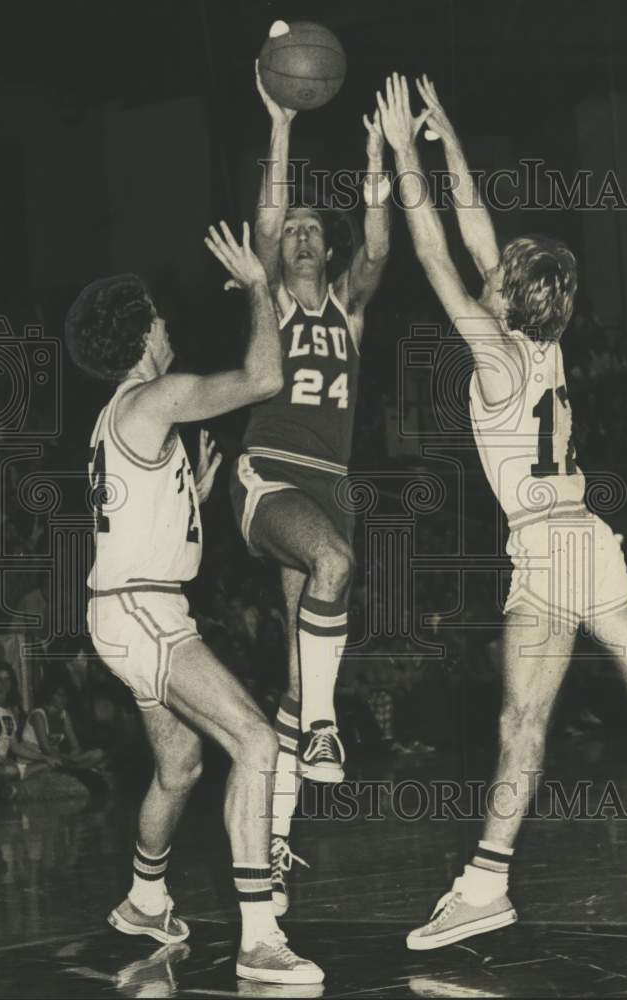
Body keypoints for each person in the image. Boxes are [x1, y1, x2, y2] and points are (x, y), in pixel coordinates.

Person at [377, 73, 627, 950]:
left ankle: (485, 883)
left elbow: (437, 254)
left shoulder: (495, 355)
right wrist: (450, 143)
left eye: (500, 274)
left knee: (521, 721)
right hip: (590, 538)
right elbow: (477, 236)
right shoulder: (542, 347)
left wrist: (404, 155)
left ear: (506, 293)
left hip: (547, 551)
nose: (492, 270)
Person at [65, 221, 323, 985]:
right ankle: (259, 939)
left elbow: (132, 510)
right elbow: (263, 380)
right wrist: (257, 287)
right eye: (161, 317)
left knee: (178, 767)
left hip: (130, 609)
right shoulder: (157, 396)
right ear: (144, 331)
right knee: (255, 743)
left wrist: (192, 497)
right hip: (142, 613)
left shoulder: (124, 414)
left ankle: (145, 903)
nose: (169, 324)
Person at [229, 65, 391, 914]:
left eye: (307, 228)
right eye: (289, 227)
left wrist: (373, 170)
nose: (295, 235)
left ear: (324, 250)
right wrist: (283, 125)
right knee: (333, 564)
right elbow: (257, 225)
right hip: (268, 474)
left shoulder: (348, 312)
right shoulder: (272, 302)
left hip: (331, 482)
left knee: (299, 678)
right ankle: (327, 727)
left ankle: (280, 843)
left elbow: (381, 250)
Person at [0, 662, 54, 798]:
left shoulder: (9, 710)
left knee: (47, 765)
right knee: (9, 770)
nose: (4, 683)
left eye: (7, 679)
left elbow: (15, 747)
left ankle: (6, 789)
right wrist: (3, 761)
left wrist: (44, 757)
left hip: (5, 766)